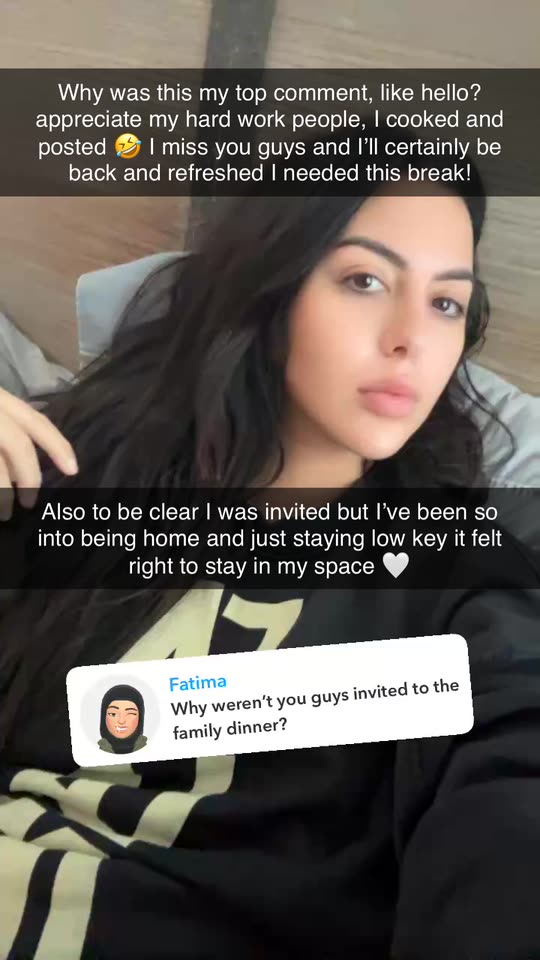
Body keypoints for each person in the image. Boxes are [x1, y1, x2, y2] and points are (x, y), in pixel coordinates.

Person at [0, 132, 539, 959]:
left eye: (446, 303)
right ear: (272, 284)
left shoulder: (455, 575)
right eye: (365, 280)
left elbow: (512, 783)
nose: (411, 339)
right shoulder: (87, 459)